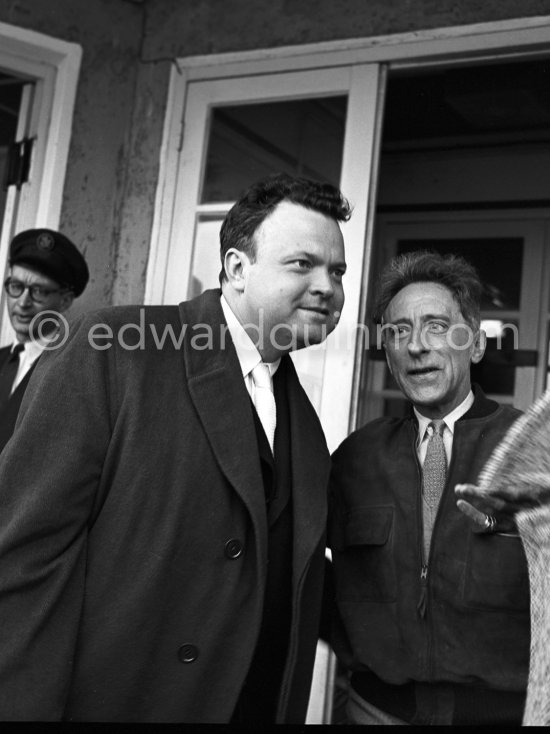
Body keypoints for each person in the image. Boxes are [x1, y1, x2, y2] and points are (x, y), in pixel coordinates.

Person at [0, 172, 350, 723]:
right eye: (302, 264)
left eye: (337, 270)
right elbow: (23, 559)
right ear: (236, 268)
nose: (327, 286)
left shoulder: (304, 421)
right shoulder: (111, 347)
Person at [329, 250, 530, 726]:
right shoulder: (356, 458)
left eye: (436, 326)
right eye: (398, 331)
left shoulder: (531, 453)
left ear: (475, 345)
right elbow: (303, 568)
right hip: (374, 711)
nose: (416, 345)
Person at [0, 228, 89, 452]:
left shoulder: (73, 371)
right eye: (16, 286)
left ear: (65, 301)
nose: (22, 302)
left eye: (38, 291)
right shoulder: (1, 358)